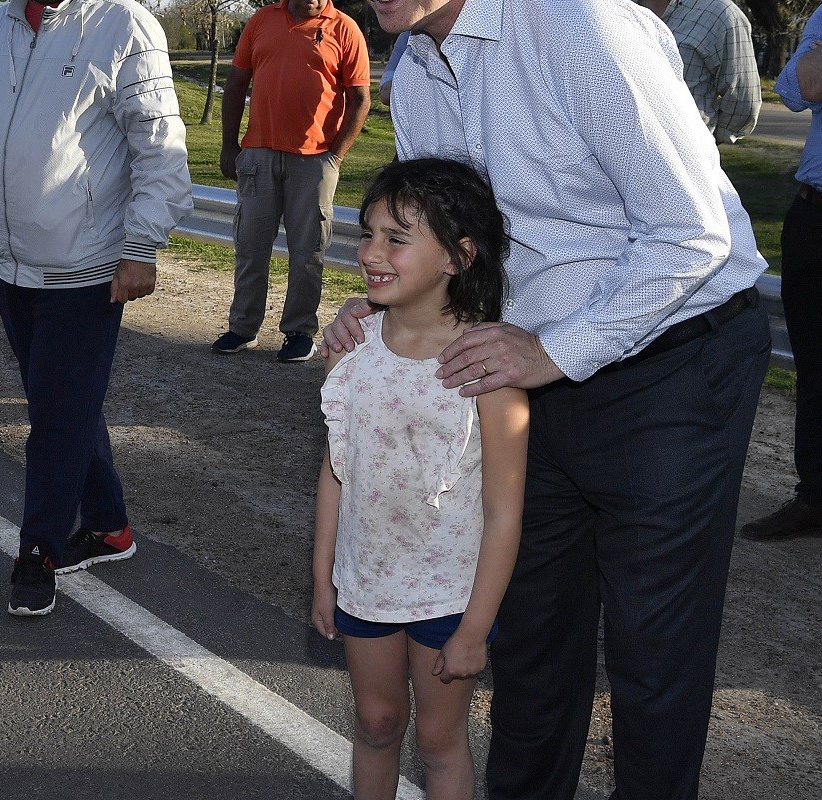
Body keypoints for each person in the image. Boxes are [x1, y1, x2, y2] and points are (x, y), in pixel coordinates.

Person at [328, 0, 772, 796]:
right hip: (524, 368)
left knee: (651, 654)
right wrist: (391, 300)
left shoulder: (580, 28)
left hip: (669, 363)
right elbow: (452, 245)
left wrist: (556, 351)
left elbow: (693, 233)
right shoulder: (415, 64)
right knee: (533, 643)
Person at [0, 0, 192, 616]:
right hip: (11, 263)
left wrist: (141, 245)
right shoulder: (1, 25)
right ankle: (110, 526)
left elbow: (159, 144)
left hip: (85, 266)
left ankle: (39, 551)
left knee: (56, 417)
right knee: (62, 400)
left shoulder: (122, 23)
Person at [313, 158, 527, 800]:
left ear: (458, 257)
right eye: (369, 233)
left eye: (396, 239)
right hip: (368, 579)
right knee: (376, 723)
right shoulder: (355, 351)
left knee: (439, 741)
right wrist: (324, 572)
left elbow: (504, 514)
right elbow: (337, 467)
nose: (371, 253)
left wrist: (473, 630)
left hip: (449, 595)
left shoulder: (489, 366)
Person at [740, 0, 822, 584]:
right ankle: (817, 498)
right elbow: (802, 88)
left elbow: (820, 86)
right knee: (819, 368)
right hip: (816, 215)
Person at [212, 0, 369, 363]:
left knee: (308, 251)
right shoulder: (262, 21)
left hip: (315, 160)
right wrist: (228, 145)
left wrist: (336, 155)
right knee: (250, 247)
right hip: (258, 153)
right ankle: (242, 328)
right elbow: (236, 84)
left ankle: (299, 332)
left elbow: (360, 99)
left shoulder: (344, 28)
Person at [636, 0, 761, 143]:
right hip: (611, 154)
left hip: (682, 154)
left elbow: (743, 100)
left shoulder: (721, 13)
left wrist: (705, 144)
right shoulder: (612, 9)